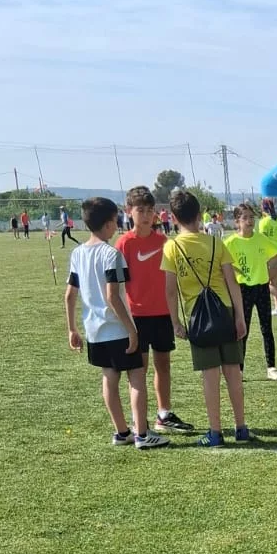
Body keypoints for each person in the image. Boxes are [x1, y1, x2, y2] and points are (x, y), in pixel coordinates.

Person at [65, 196, 168, 449]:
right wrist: (131, 330)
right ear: (111, 222)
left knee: (109, 378)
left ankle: (122, 432)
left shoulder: (78, 253)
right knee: (136, 378)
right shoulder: (112, 254)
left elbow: (69, 295)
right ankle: (143, 435)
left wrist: (72, 329)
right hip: (117, 328)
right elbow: (113, 296)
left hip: (94, 331)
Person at [162, 188, 249, 446]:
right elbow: (232, 282)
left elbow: (169, 290)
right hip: (225, 310)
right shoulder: (215, 242)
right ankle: (241, 428)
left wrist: (175, 322)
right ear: (200, 215)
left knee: (210, 377)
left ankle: (215, 432)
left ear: (174, 218)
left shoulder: (171, 247)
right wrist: (240, 316)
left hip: (197, 317)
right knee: (233, 373)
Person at [116, 185, 193, 433]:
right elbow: (116, 286)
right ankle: (140, 420)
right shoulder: (124, 244)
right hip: (136, 317)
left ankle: (164, 414)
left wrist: (175, 318)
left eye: (150, 210)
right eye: (141, 210)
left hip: (162, 314)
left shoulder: (164, 242)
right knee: (139, 371)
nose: (147, 215)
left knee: (164, 364)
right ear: (129, 211)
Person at [225, 203, 277, 380]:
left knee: (267, 329)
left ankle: (271, 367)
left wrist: (270, 267)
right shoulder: (230, 243)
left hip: (262, 288)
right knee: (243, 330)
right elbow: (222, 265)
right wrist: (235, 272)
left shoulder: (261, 239)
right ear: (237, 222)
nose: (250, 221)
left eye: (252, 217)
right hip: (243, 290)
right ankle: (239, 369)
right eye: (245, 218)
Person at [257, 198, 277, 315]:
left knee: (264, 283)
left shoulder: (263, 222)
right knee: (274, 283)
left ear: (263, 208)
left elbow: (261, 239)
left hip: (271, 256)